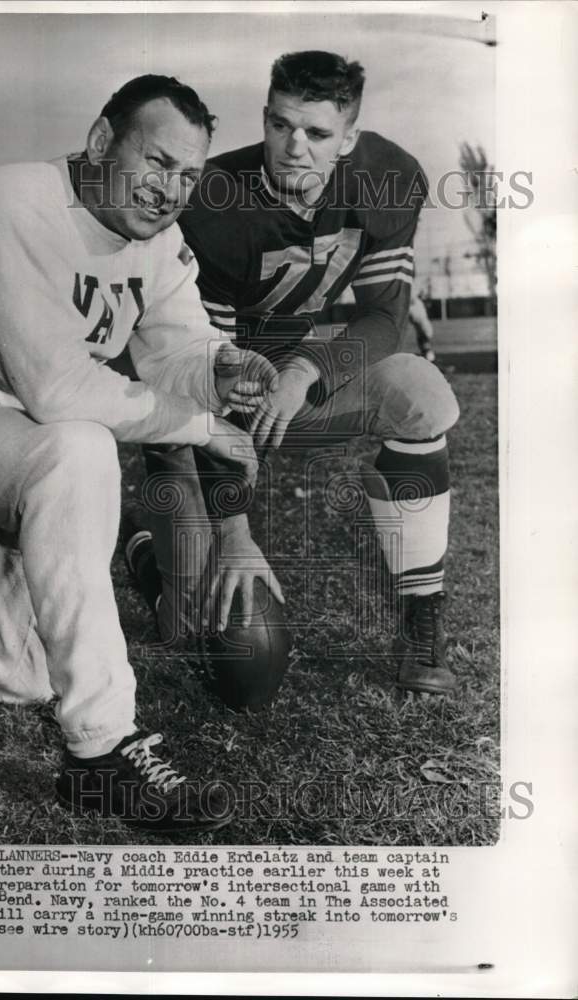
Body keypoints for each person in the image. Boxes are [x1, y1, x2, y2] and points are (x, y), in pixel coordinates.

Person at [0, 75, 278, 833]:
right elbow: (57, 391)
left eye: (187, 174)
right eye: (157, 161)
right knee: (81, 447)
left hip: (27, 450)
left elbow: (177, 353)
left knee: (23, 670)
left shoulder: (158, 239)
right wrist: (201, 428)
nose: (169, 189)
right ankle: (101, 752)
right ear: (102, 142)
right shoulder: (16, 199)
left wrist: (222, 368)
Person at [124, 51, 461, 697]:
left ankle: (423, 625)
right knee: (186, 623)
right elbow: (202, 364)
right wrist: (237, 532)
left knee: (422, 395)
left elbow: (386, 316)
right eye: (281, 126)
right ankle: (145, 552)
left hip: (292, 383)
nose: (294, 147)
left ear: (350, 139)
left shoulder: (386, 175)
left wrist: (308, 367)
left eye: (316, 133)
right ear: (265, 118)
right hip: (205, 393)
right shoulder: (215, 205)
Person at [408, 285, 437, 362]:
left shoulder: (416, 303)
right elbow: (413, 299)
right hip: (421, 321)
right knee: (425, 338)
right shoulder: (414, 304)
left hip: (419, 322)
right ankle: (429, 357)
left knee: (423, 339)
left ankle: (427, 355)